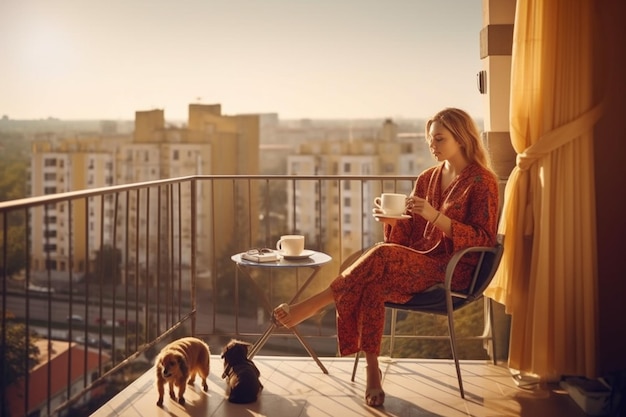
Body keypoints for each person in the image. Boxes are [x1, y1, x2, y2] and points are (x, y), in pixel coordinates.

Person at [272, 107, 500, 407]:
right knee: (373, 285)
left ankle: (316, 304)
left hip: (453, 269)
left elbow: (484, 238)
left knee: (380, 255)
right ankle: (372, 373)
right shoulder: (427, 178)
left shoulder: (482, 182)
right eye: (430, 139)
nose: (433, 146)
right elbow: (405, 241)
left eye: (440, 139)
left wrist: (435, 217)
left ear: (461, 137)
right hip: (418, 263)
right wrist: (392, 223)